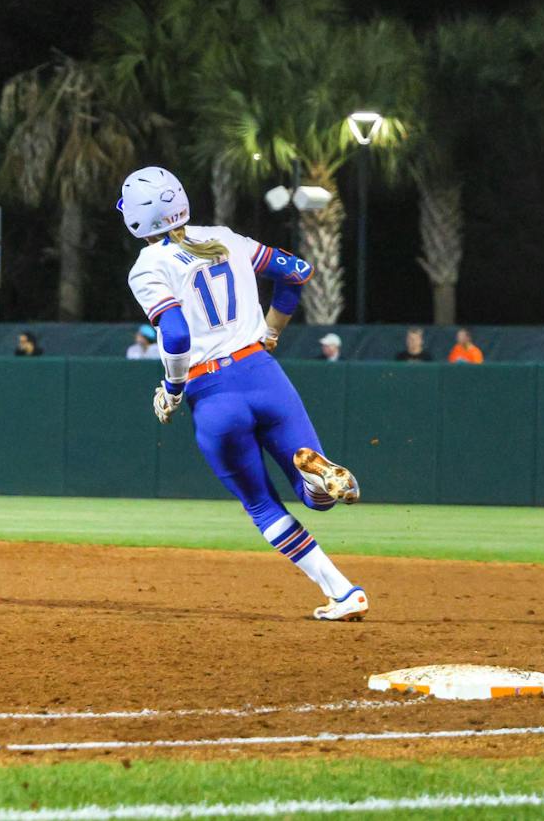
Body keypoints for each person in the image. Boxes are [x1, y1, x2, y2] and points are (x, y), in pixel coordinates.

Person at [121, 165, 367, 622]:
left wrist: (173, 390)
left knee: (260, 503)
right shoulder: (224, 237)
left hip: (213, 392)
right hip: (262, 372)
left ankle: (342, 591)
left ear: (136, 219)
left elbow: (174, 336)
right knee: (311, 490)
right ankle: (321, 484)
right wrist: (273, 328)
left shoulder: (148, 265)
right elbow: (298, 271)